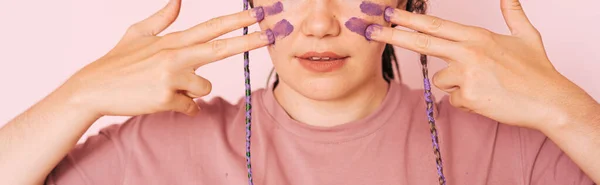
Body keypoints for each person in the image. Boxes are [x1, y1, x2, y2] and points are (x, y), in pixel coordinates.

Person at [0, 0, 598, 184]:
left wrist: (563, 107)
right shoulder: (158, 145)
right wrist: (80, 96)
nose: (318, 23)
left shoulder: (515, 149)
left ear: (410, 3)